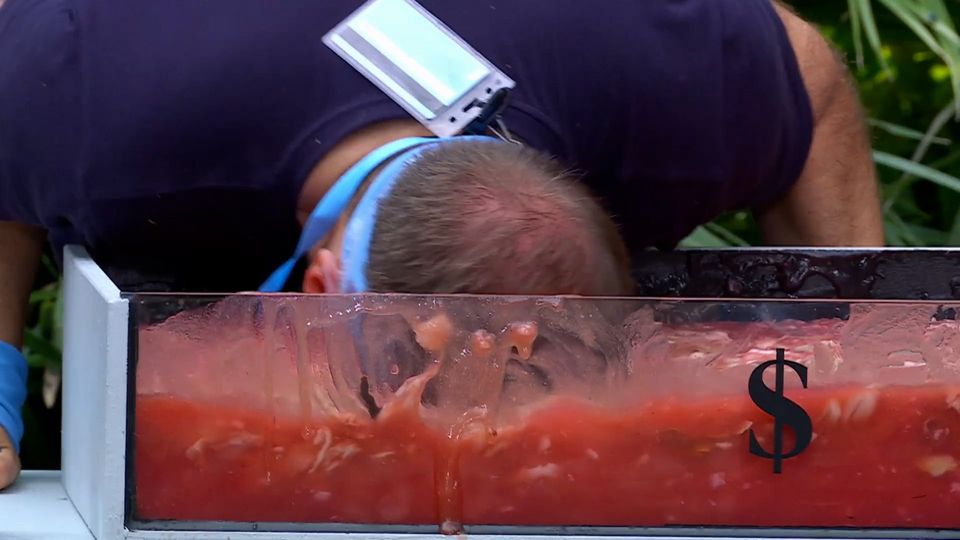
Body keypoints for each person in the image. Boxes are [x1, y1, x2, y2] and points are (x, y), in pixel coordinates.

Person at [0, 0, 883, 489]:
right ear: (320, 288)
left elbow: (810, 79)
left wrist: (856, 370)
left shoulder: (682, 83)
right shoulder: (91, 97)